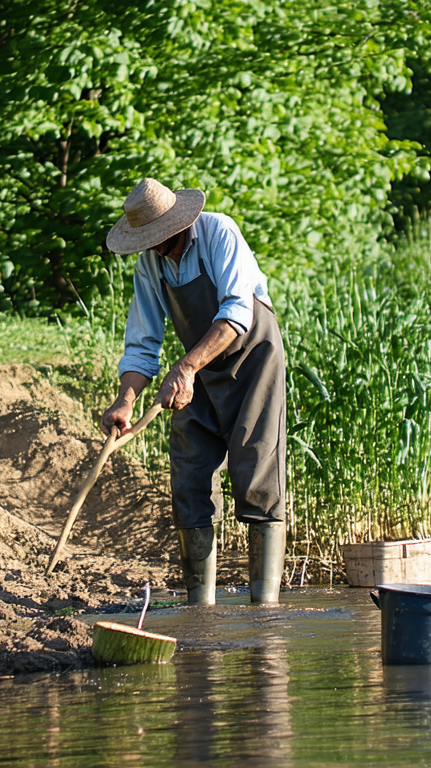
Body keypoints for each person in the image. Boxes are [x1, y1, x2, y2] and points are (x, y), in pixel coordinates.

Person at [102, 178, 287, 605]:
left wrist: (185, 369)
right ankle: (200, 607)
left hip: (251, 360)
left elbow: (237, 313)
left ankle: (265, 607)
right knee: (188, 472)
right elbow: (143, 342)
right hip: (198, 367)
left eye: (158, 240)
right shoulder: (151, 265)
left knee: (255, 467)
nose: (152, 249)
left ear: (179, 225)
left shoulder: (220, 232)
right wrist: (125, 400)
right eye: (146, 242)